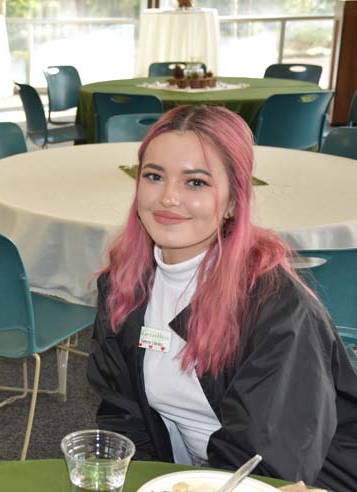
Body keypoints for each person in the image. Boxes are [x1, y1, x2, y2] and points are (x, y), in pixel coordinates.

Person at [87, 105, 357, 492]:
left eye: (196, 182)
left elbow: (267, 462)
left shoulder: (277, 308)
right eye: (154, 176)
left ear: (233, 201)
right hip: (196, 476)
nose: (168, 198)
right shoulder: (123, 286)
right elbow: (123, 416)